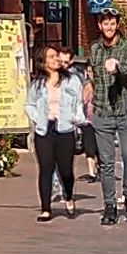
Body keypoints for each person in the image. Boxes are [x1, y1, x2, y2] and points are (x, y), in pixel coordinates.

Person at [88, 24, 127, 229]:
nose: (109, 27)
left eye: (112, 23)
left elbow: (126, 69)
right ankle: (109, 205)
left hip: (124, 112)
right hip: (102, 112)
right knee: (107, 162)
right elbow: (93, 75)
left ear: (117, 24)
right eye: (105, 23)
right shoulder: (94, 49)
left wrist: (116, 66)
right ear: (100, 25)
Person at [28, 38, 86, 216]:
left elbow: (78, 103)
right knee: (46, 169)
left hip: (65, 129)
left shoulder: (71, 80)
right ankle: (46, 209)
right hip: (44, 130)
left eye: (56, 56)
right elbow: (29, 105)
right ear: (43, 62)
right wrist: (38, 119)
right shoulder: (37, 84)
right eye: (52, 57)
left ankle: (68, 195)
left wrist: (78, 118)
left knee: (65, 171)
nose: (56, 59)